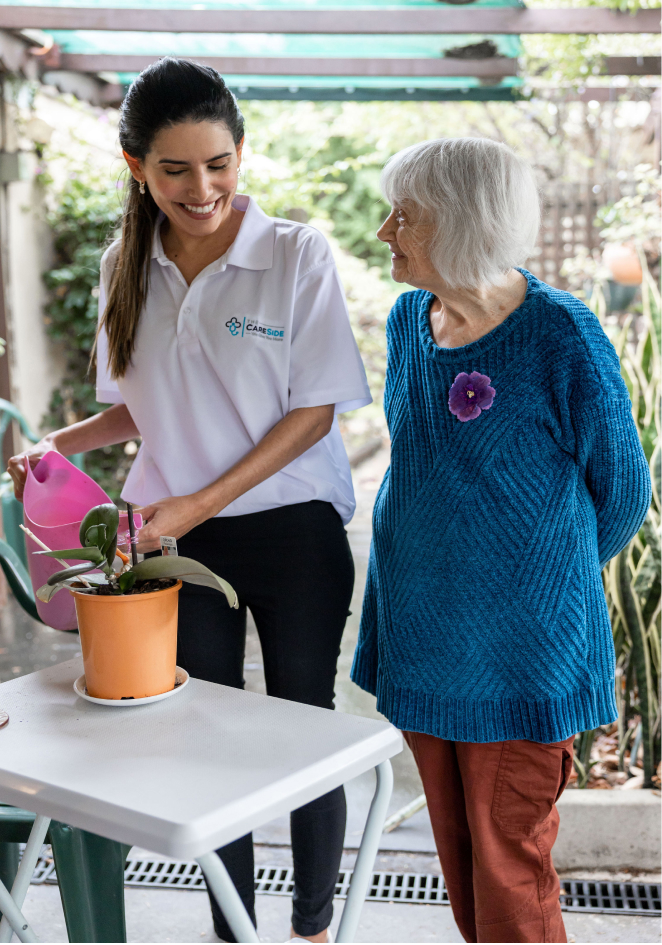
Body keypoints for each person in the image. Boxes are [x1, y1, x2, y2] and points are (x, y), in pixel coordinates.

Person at [9, 58, 372, 945]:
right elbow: (140, 402)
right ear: (136, 166)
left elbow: (314, 407)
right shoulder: (121, 266)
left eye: (218, 163)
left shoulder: (294, 254)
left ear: (240, 153)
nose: (201, 188)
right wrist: (60, 443)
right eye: (175, 170)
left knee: (299, 724)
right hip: (174, 543)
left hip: (290, 526)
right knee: (201, 741)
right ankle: (232, 931)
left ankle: (314, 927)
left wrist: (196, 500)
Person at [351, 137, 651, 944]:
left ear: (458, 223)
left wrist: (531, 581)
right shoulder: (412, 320)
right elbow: (418, 459)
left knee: (510, 867)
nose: (385, 230)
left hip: (521, 656)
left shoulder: (561, 335)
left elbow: (622, 494)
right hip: (425, 641)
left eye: (403, 215)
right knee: (459, 863)